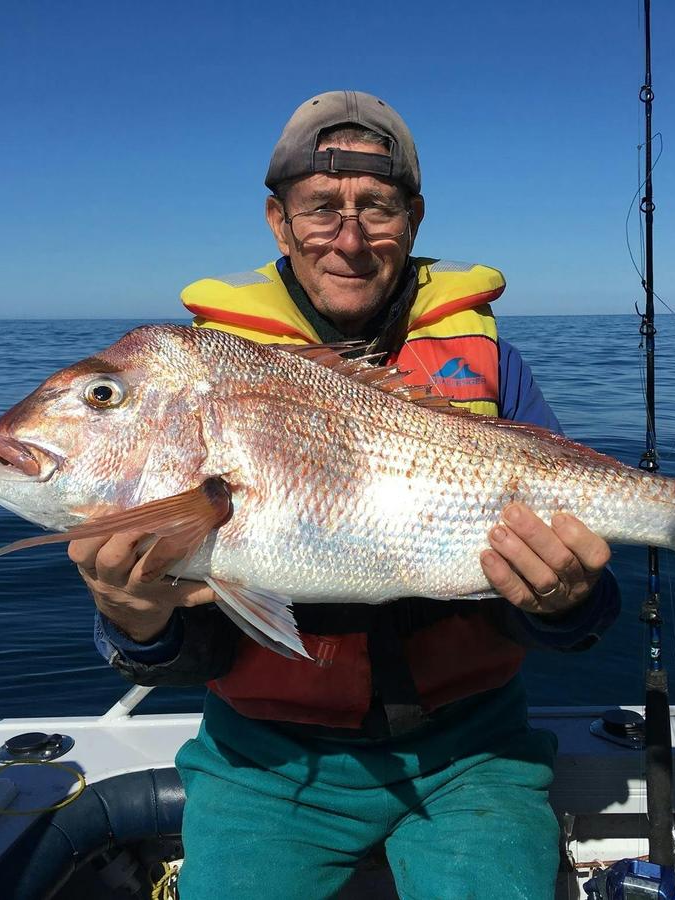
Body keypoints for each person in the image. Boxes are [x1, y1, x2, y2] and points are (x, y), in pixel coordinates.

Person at [74, 91, 621, 899]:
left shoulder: (493, 371)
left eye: (379, 209)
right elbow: (194, 653)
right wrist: (136, 620)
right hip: (265, 761)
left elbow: (577, 601)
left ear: (416, 216)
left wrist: (566, 603)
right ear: (278, 221)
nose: (351, 239)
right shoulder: (200, 374)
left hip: (474, 753)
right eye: (322, 209)